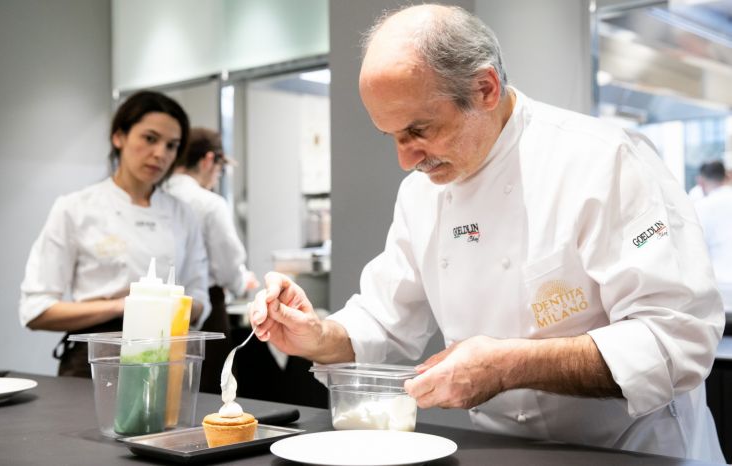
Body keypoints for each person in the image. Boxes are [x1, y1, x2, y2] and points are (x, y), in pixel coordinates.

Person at [247, 4, 725, 462]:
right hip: (506, 453)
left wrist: (507, 365)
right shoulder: (422, 195)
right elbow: (384, 322)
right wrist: (316, 334)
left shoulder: (604, 162)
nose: (405, 159)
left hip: (635, 452)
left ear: (485, 89)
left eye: (419, 129)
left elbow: (677, 339)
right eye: (391, 136)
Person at [19, 91, 210, 377]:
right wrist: (126, 306)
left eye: (172, 145)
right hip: (96, 362)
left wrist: (165, 308)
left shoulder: (183, 214)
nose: (160, 154)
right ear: (119, 137)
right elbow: (36, 310)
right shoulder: (76, 208)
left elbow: (199, 299)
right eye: (150, 138)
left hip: (168, 362)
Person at [165, 127, 258, 393]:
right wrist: (242, 281)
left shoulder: (156, 198)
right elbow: (227, 266)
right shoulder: (208, 203)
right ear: (208, 160)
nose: (217, 177)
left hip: (155, 312)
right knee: (208, 395)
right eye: (219, 169)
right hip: (205, 311)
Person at [694, 160, 732, 311]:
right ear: (727, 176)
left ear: (701, 182)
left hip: (720, 291)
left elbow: (696, 252)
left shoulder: (701, 207)